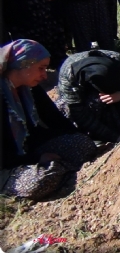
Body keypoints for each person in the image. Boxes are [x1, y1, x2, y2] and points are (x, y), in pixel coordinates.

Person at [0, 39, 97, 200]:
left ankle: (59, 168)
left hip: (32, 146)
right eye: (41, 68)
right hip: (6, 163)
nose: (45, 76)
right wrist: (36, 158)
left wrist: (78, 137)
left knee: (82, 145)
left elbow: (53, 118)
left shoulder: (29, 88)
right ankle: (56, 170)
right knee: (42, 179)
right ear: (23, 64)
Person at [56, 49, 120, 143]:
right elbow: (79, 115)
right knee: (78, 105)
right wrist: (115, 137)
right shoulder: (69, 76)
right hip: (89, 105)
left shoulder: (117, 59)